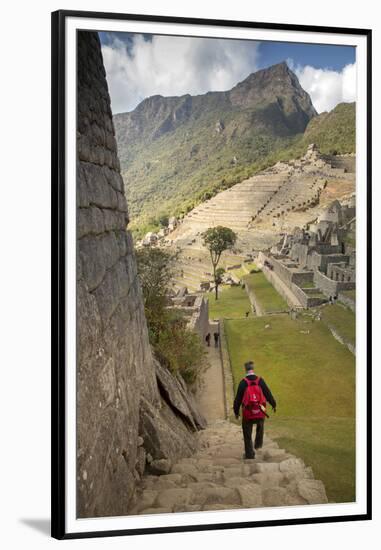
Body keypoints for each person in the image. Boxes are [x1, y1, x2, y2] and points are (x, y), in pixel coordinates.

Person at [233, 361, 276, 459]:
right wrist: (273, 404)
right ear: (253, 369)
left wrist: (236, 412)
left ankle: (249, 454)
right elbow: (268, 393)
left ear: (245, 369)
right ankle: (258, 445)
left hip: (248, 413)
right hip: (260, 411)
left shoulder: (243, 382)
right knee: (260, 425)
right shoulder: (260, 381)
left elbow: (238, 400)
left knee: (247, 432)